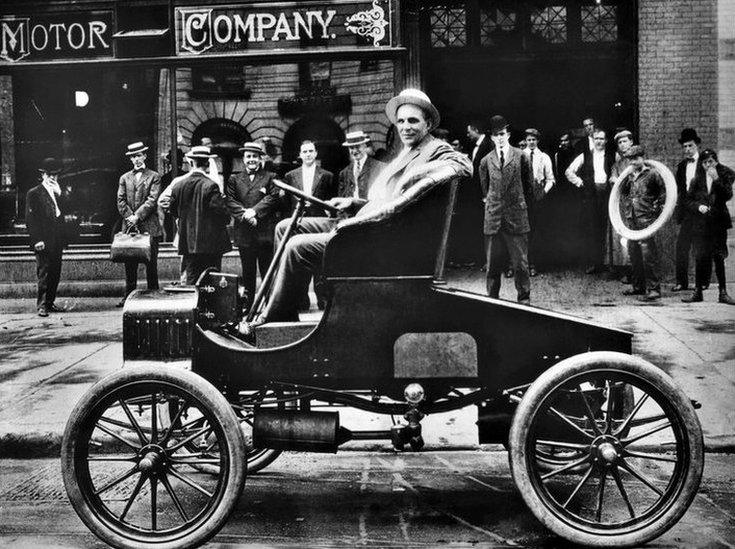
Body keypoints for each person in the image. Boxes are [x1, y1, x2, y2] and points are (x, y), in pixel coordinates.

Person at [238, 88, 472, 333]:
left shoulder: (435, 148)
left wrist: (414, 177)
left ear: (428, 124)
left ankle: (274, 320)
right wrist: (354, 203)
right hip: (369, 225)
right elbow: (385, 200)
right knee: (285, 227)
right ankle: (285, 312)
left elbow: (462, 164)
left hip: (382, 241)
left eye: (413, 121)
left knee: (298, 247)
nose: (405, 127)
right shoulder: (407, 150)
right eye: (401, 121)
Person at [480, 115, 534, 305]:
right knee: (492, 265)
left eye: (502, 134)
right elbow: (485, 191)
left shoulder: (521, 157)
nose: (500, 138)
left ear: (508, 134)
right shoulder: (485, 161)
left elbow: (529, 187)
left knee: (520, 264)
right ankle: (492, 300)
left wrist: (519, 205)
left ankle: (524, 299)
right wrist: (492, 206)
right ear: (492, 138)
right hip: (494, 219)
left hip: (516, 216)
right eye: (496, 135)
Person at [226, 142, 281, 310]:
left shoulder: (270, 176)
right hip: (245, 233)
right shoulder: (234, 179)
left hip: (264, 233)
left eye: (255, 157)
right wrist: (245, 215)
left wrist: (255, 212)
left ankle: (269, 306)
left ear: (260, 159)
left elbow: (273, 197)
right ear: (243, 159)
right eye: (248, 157)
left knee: (267, 271)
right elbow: (229, 200)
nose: (251, 160)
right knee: (247, 272)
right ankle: (248, 307)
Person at [169, 146, 231, 284]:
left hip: (187, 243)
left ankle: (193, 305)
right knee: (211, 280)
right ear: (207, 164)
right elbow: (223, 214)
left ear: (191, 163)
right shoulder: (211, 185)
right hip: (211, 244)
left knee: (191, 279)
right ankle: (208, 306)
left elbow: (173, 210)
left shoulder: (178, 185)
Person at [681, 149, 735, 305]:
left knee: (719, 257)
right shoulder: (696, 180)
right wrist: (699, 207)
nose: (707, 165)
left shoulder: (723, 176)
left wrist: (717, 179)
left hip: (718, 222)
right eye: (704, 162)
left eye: (710, 161)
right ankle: (697, 291)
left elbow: (727, 195)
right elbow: (688, 201)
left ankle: (723, 293)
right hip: (701, 224)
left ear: (715, 161)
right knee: (700, 257)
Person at [116, 142, 162, 307]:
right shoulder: (124, 178)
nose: (136, 159)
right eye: (133, 156)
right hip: (129, 226)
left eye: (138, 155)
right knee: (130, 264)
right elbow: (120, 200)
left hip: (149, 225)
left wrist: (138, 216)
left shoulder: (154, 176)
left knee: (151, 263)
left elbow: (152, 199)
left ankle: (154, 294)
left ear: (145, 156)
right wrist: (130, 217)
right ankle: (128, 295)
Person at [566, 128, 616, 273]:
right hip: (592, 196)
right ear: (593, 140)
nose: (599, 141)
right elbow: (569, 171)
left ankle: (611, 264)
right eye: (596, 139)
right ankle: (595, 263)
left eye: (601, 138)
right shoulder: (585, 155)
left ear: (606, 140)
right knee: (593, 229)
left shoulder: (613, 155)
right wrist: (580, 183)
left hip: (608, 195)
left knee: (609, 229)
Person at [619, 146, 664, 301]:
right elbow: (623, 192)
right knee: (634, 253)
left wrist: (657, 209)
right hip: (631, 219)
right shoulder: (630, 176)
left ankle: (654, 288)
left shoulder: (652, 174)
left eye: (635, 158)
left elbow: (663, 193)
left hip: (646, 219)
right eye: (630, 159)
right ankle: (638, 287)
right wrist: (624, 179)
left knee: (648, 255)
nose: (633, 161)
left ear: (642, 158)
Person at [25, 158, 68, 317]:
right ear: (43, 174)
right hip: (43, 239)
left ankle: (50, 302)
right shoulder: (34, 193)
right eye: (50, 174)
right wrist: (37, 240)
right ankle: (42, 305)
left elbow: (64, 212)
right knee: (44, 272)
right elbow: (31, 219)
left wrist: (61, 194)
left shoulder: (57, 192)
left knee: (55, 271)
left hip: (57, 238)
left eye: (56, 175)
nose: (53, 178)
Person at [672, 128, 703, 292]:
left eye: (690, 146)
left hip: (702, 212)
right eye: (684, 147)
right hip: (687, 214)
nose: (687, 150)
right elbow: (679, 190)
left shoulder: (705, 163)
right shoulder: (682, 166)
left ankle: (702, 283)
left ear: (697, 145)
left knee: (701, 247)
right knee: (681, 247)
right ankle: (681, 282)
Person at [523, 128, 555, 276]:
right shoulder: (520, 155)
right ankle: (521, 264)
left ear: (538, 141)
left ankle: (533, 264)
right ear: (526, 141)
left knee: (536, 231)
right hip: (522, 197)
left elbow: (551, 179)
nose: (531, 142)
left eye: (533, 140)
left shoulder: (544, 157)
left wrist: (543, 192)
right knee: (522, 231)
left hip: (537, 197)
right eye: (529, 139)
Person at [608, 129, 635, 282]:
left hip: (637, 204)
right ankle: (627, 269)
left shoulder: (638, 160)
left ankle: (636, 270)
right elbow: (614, 178)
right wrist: (613, 179)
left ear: (631, 142)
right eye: (619, 142)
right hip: (623, 204)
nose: (622, 144)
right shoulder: (617, 164)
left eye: (625, 141)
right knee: (624, 236)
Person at [337, 131, 385, 201]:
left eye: (357, 147)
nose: (354, 151)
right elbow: (341, 198)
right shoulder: (344, 173)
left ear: (365, 146)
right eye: (351, 148)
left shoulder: (379, 167)